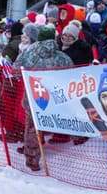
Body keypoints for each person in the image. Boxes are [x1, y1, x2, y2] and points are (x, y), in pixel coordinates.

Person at [14, 26, 73, 171]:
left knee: (32, 126)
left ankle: (32, 156)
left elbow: (15, 71)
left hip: (33, 96)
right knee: (45, 122)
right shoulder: (62, 56)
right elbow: (71, 74)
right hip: (54, 97)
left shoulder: (28, 53)